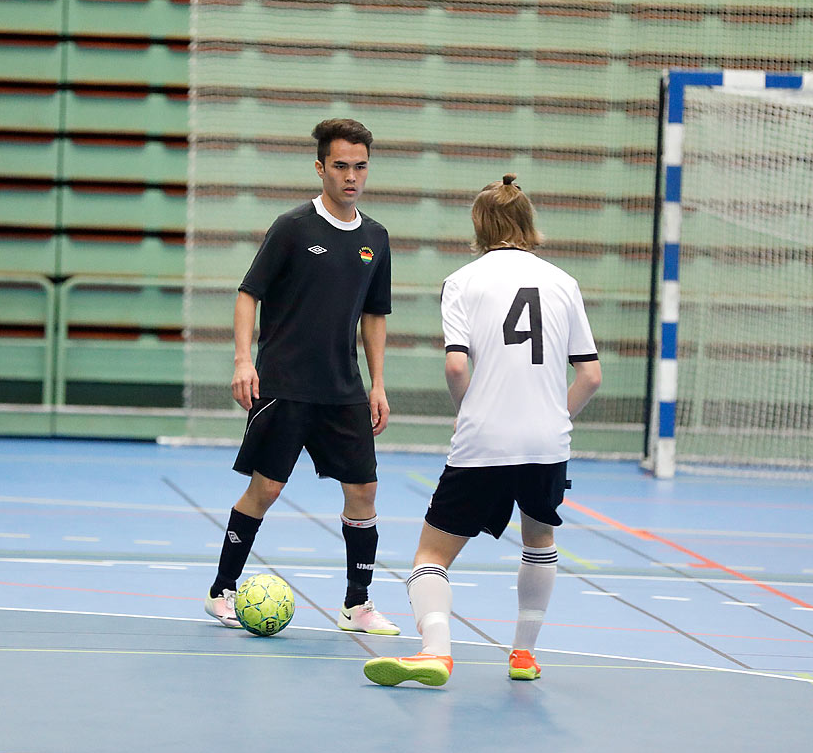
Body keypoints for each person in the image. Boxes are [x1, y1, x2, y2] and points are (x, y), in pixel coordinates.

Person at [364, 174, 601, 687]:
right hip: (546, 443)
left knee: (431, 555)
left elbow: (455, 368)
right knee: (538, 543)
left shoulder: (462, 281)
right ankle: (522, 655)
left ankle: (435, 651)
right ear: (528, 223)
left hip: (483, 441)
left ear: (479, 225)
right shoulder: (563, 283)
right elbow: (590, 375)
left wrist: (470, 409)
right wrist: (555, 419)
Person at [204, 118, 400, 636]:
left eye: (360, 167)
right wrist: (244, 360)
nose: (351, 177)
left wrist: (377, 384)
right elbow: (249, 293)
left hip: (343, 391)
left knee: (364, 492)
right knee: (265, 489)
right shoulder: (292, 227)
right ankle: (221, 591)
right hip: (285, 385)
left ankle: (357, 605)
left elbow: (374, 315)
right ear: (320, 168)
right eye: (340, 166)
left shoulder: (376, 238)